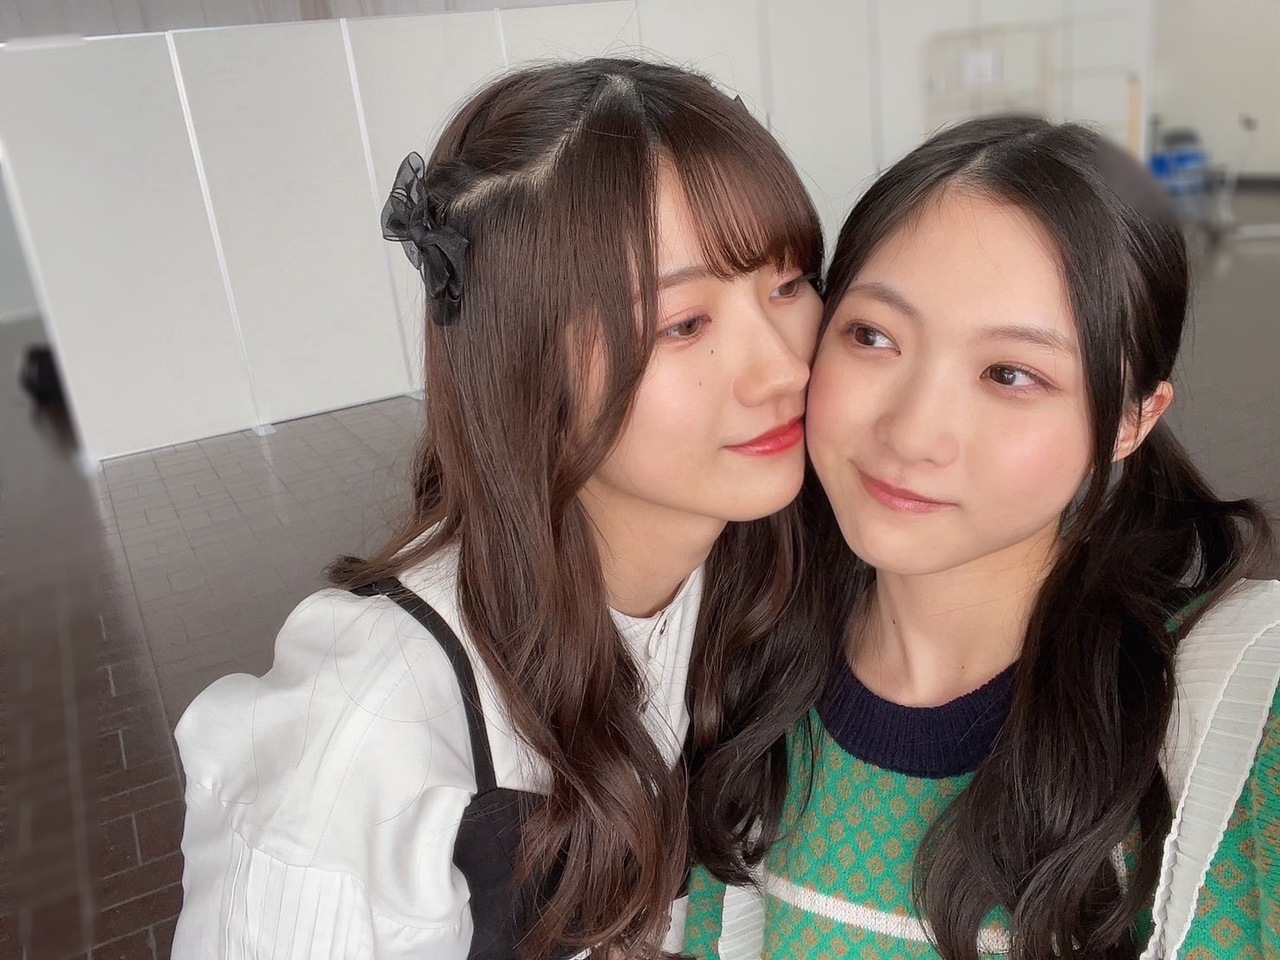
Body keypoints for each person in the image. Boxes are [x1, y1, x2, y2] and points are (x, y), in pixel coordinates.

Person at [171, 57, 827, 960]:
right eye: (684, 323)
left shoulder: (769, 576)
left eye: (789, 285)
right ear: (527, 361)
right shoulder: (368, 733)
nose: (785, 366)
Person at [684, 116, 1280, 960]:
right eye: (873, 336)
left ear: (1132, 422)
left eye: (1010, 374)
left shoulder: (1242, 721)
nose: (912, 432)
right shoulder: (737, 663)